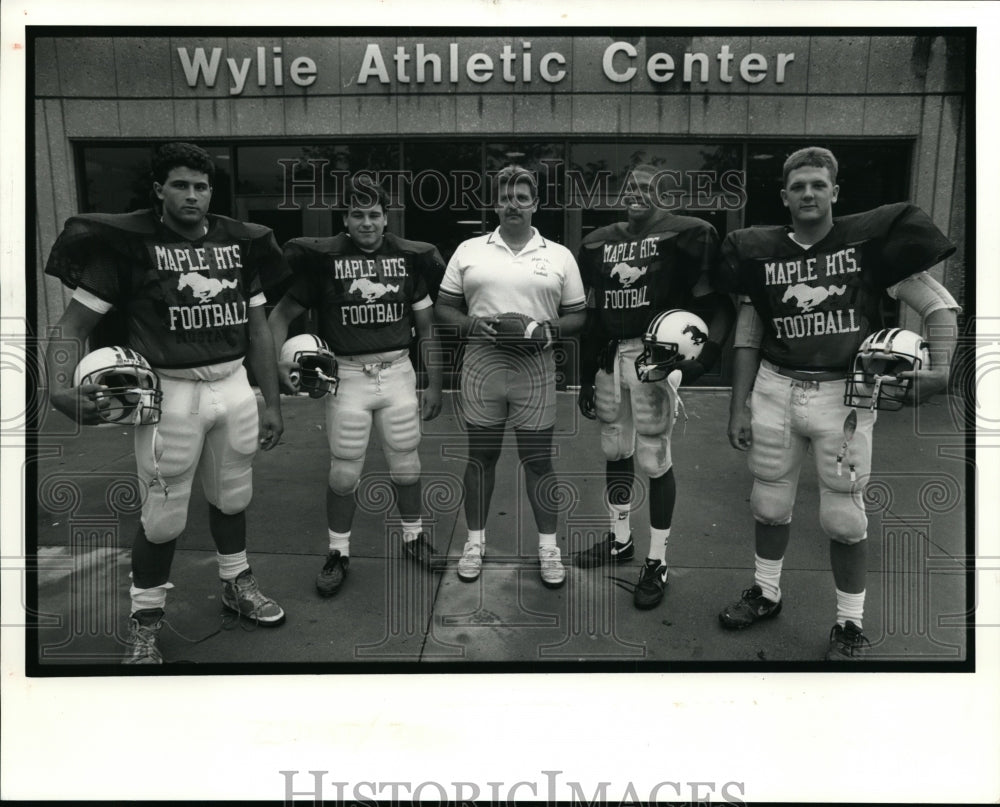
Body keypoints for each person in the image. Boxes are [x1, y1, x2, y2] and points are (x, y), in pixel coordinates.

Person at [44, 142, 289, 664]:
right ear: (159, 190)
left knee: (233, 496)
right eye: (181, 184)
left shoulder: (237, 242)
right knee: (162, 516)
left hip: (233, 383)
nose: (193, 195)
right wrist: (59, 389)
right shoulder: (129, 247)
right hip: (170, 391)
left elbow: (259, 330)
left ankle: (235, 582)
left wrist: (271, 400)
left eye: (201, 186)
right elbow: (70, 326)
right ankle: (145, 620)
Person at [715, 146, 959, 660]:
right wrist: (737, 405)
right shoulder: (762, 252)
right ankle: (766, 591)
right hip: (774, 387)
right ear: (784, 196)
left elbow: (938, 305)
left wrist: (940, 372)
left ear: (834, 192)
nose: (808, 193)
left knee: (845, 518)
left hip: (842, 395)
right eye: (798, 186)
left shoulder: (866, 246)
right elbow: (749, 332)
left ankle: (849, 622)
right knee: (768, 503)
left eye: (817, 185)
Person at [268, 177, 445, 598]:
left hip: (398, 370)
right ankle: (338, 551)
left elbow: (427, 328)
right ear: (345, 219)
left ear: (386, 218)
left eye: (374, 215)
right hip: (346, 375)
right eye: (358, 215)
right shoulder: (325, 262)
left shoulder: (406, 260)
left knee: (407, 465)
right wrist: (279, 370)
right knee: (344, 471)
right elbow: (278, 317)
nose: (367, 222)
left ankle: (413, 537)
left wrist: (434, 384)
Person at [574, 164, 734, 609]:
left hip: (653, 357)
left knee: (654, 456)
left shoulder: (687, 235)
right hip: (609, 354)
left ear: (670, 198)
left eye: (650, 188)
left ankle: (657, 558)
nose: (638, 193)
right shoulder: (599, 241)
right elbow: (590, 310)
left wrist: (702, 363)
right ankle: (620, 539)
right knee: (614, 449)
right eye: (632, 186)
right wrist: (587, 373)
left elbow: (720, 304)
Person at [434, 165, 587, 587]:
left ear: (535, 203)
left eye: (522, 197)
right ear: (495, 202)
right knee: (481, 458)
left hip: (534, 366)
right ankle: (475, 543)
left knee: (538, 461)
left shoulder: (558, 255)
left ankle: (548, 548)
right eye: (505, 196)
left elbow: (579, 315)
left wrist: (547, 330)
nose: (512, 204)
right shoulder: (469, 250)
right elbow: (443, 309)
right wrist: (470, 325)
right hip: (483, 362)